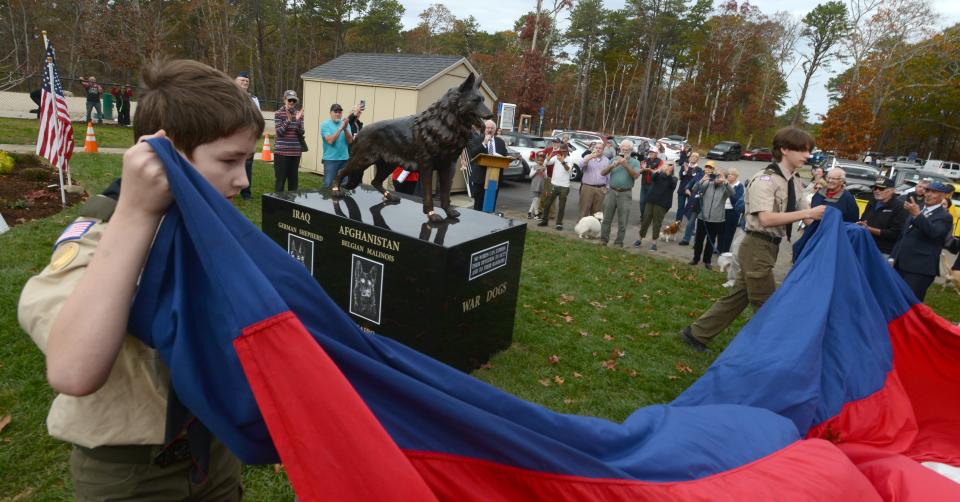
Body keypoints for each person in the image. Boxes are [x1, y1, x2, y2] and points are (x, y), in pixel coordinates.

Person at [18, 59, 258, 501]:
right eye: (229, 160)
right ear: (161, 153)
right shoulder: (101, 237)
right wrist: (136, 214)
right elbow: (73, 371)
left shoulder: (212, 234)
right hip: (130, 476)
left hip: (214, 457)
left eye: (246, 161)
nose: (242, 181)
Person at [680, 127, 825, 351]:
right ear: (785, 150)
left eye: (809, 151)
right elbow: (766, 219)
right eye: (804, 150)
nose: (808, 155)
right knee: (768, 305)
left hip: (769, 248)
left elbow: (808, 219)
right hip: (756, 245)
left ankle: (696, 334)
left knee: (736, 299)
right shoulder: (765, 179)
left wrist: (833, 223)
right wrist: (808, 213)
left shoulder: (794, 181)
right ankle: (771, 353)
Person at [891, 181, 954, 301]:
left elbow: (933, 233)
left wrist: (918, 215)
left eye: (934, 192)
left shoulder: (944, 216)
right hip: (900, 264)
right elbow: (904, 235)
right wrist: (893, 257)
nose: (929, 194)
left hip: (920, 269)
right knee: (893, 300)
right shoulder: (917, 209)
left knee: (909, 304)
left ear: (943, 196)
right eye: (927, 191)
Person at [792, 168, 859, 258]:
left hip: (833, 241)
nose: (830, 181)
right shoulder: (819, 193)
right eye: (829, 177)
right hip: (812, 235)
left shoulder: (848, 198)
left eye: (834, 179)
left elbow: (852, 222)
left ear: (842, 181)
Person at [689, 167, 735, 270]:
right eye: (716, 175)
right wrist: (702, 180)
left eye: (721, 176)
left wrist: (725, 182)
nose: (718, 177)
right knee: (698, 240)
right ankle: (695, 258)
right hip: (703, 218)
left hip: (716, 220)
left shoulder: (725, 188)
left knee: (711, 242)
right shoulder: (707, 184)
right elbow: (694, 189)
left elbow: (733, 194)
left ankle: (707, 261)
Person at [599, 140, 640, 247]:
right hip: (611, 191)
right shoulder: (614, 159)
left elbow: (635, 176)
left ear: (631, 151)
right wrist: (612, 165)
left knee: (623, 220)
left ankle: (618, 242)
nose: (624, 152)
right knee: (606, 218)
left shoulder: (635, 162)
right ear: (620, 149)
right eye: (623, 149)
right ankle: (603, 240)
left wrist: (625, 164)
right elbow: (603, 173)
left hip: (625, 193)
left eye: (627, 150)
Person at [858, 177, 908, 257]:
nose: (877, 191)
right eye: (875, 188)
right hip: (864, 247)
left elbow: (896, 233)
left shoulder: (899, 207)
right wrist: (860, 223)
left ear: (892, 190)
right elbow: (863, 219)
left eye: (881, 189)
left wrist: (870, 229)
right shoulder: (872, 202)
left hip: (883, 251)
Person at [466, 119, 508, 211]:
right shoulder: (477, 140)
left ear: (495, 130)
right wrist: (484, 143)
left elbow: (505, 156)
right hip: (480, 178)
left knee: (491, 203)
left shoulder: (500, 142)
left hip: (495, 178)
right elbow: (472, 154)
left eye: (492, 128)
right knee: (479, 205)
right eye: (488, 128)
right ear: (484, 129)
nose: (490, 130)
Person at [635, 161, 677, 251]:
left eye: (671, 165)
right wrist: (658, 171)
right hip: (651, 201)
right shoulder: (659, 174)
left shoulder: (673, 178)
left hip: (662, 204)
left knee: (657, 223)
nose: (669, 166)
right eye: (668, 164)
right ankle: (640, 239)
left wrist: (668, 174)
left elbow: (672, 185)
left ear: (673, 168)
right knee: (645, 220)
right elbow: (652, 179)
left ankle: (654, 243)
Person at [235, 71, 261, 200]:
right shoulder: (229, 96)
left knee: (247, 165)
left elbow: (258, 118)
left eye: (247, 81)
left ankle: (246, 193)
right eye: (242, 81)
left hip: (248, 137)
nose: (245, 83)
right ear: (235, 82)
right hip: (233, 136)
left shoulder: (254, 99)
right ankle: (229, 190)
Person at [538, 146, 573, 230]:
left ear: (567, 151)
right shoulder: (556, 157)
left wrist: (563, 162)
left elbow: (568, 170)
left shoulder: (570, 159)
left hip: (564, 186)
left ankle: (559, 224)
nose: (562, 152)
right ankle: (544, 220)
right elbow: (545, 164)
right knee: (547, 203)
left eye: (564, 151)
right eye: (561, 151)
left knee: (561, 206)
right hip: (554, 184)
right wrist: (547, 159)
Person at [319, 101, 351, 189]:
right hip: (330, 160)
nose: (337, 114)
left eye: (339, 112)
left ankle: (341, 202)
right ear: (330, 113)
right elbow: (330, 141)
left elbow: (350, 141)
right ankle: (326, 201)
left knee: (343, 186)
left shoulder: (346, 124)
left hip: (344, 160)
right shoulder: (325, 124)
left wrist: (346, 129)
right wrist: (341, 128)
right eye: (335, 111)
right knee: (328, 185)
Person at [679, 158, 708, 245]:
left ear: (713, 169)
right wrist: (687, 188)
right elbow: (690, 184)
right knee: (690, 222)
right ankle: (686, 240)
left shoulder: (714, 178)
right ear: (705, 168)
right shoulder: (699, 175)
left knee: (701, 225)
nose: (708, 169)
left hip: (706, 205)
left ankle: (697, 243)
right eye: (707, 167)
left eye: (711, 168)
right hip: (696, 202)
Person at [578, 141, 609, 219]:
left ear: (603, 150)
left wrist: (607, 187)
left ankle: (594, 229)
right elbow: (580, 165)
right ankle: (581, 228)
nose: (598, 150)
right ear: (593, 148)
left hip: (600, 188)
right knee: (584, 209)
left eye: (600, 148)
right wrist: (590, 157)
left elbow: (609, 175)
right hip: (587, 187)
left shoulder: (606, 160)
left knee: (597, 212)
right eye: (596, 148)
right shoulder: (588, 157)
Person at [718, 168, 744, 253]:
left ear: (736, 176)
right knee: (721, 231)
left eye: (731, 174)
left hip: (732, 212)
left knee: (728, 233)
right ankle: (719, 248)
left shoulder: (739, 186)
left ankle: (724, 250)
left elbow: (736, 200)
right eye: (728, 174)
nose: (729, 176)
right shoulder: (725, 183)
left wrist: (728, 188)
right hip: (722, 209)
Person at [638, 148, 663, 218]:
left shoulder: (660, 161)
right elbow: (639, 171)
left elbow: (658, 172)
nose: (651, 153)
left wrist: (648, 169)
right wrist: (643, 169)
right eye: (650, 152)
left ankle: (647, 218)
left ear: (656, 153)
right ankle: (643, 216)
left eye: (653, 152)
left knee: (649, 203)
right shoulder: (645, 160)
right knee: (642, 202)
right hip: (644, 184)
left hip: (653, 185)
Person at [675, 152, 700, 223]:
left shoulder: (699, 169)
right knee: (680, 208)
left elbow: (696, 180)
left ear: (697, 159)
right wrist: (685, 171)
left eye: (695, 157)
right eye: (692, 156)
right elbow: (680, 177)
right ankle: (677, 224)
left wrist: (688, 172)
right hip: (682, 190)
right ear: (689, 158)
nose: (693, 158)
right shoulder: (684, 166)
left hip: (691, 192)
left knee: (690, 208)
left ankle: (690, 225)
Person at [528, 151, 547, 219]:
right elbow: (530, 176)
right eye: (539, 160)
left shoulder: (544, 168)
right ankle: (536, 214)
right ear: (537, 160)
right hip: (535, 185)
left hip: (541, 185)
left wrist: (543, 172)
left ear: (543, 161)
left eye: (542, 160)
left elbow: (546, 177)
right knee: (536, 199)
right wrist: (536, 172)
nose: (540, 162)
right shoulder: (534, 167)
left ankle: (529, 213)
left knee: (536, 199)